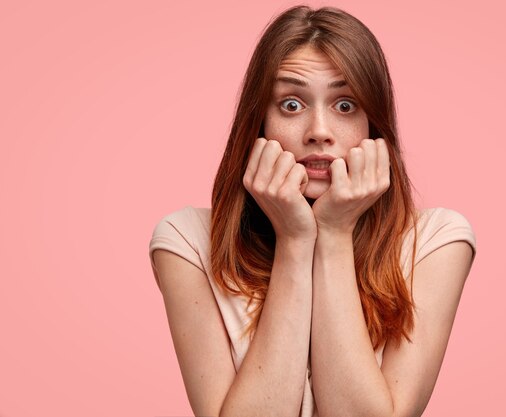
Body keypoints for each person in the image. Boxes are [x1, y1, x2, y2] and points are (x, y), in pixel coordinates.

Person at [149, 5, 477, 417]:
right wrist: (294, 240)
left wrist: (335, 234)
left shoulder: (436, 241)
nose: (319, 131)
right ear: (259, 123)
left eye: (345, 105)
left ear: (373, 125)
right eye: (291, 104)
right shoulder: (187, 242)